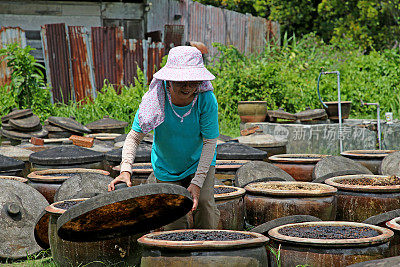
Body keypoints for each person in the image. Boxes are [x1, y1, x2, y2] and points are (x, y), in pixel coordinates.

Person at [108, 46, 220, 230]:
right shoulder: (154, 100)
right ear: (168, 81)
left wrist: (197, 182)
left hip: (199, 161)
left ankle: (207, 254)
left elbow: (210, 143)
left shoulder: (206, 99)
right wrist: (125, 169)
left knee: (205, 206)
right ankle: (178, 256)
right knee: (172, 217)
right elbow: (134, 137)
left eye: (193, 81)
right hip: (166, 166)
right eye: (181, 82)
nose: (188, 87)